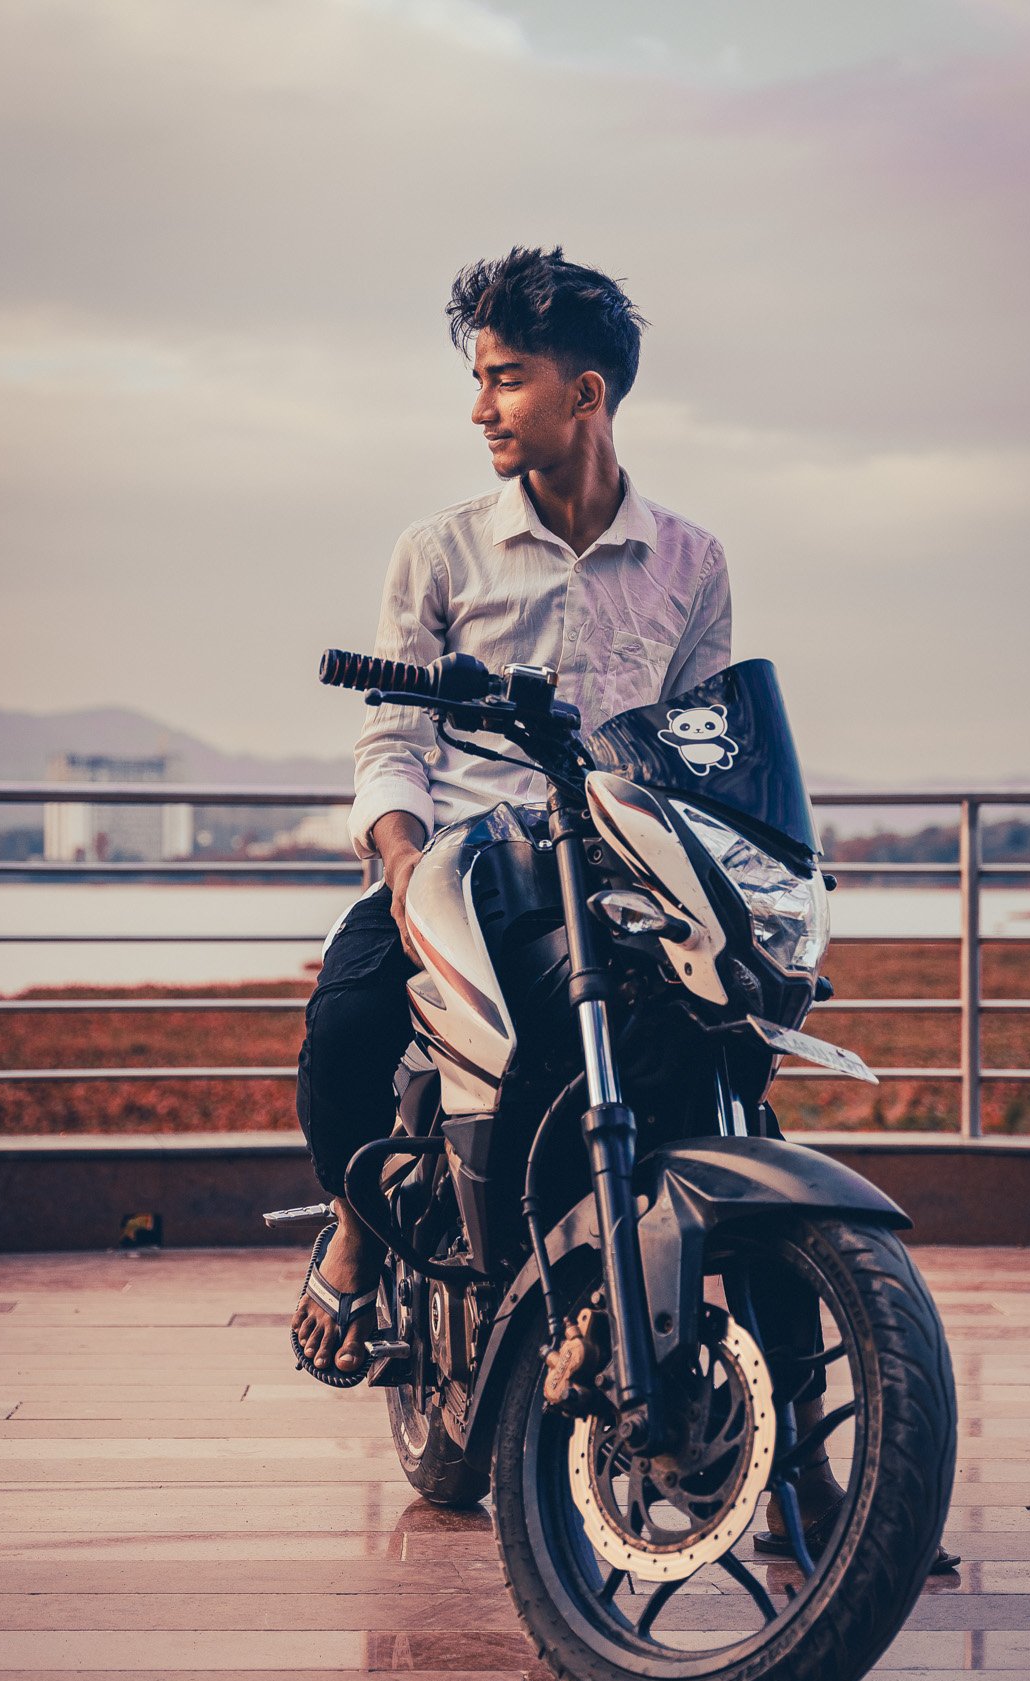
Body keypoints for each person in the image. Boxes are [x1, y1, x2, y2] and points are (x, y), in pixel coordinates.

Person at [292, 246, 731, 1374]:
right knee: (343, 1029)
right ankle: (362, 1225)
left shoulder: (691, 561)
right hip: (458, 866)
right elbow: (393, 735)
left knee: (719, 1060)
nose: (478, 404)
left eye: (505, 376)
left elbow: (704, 749)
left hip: (619, 874)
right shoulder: (437, 551)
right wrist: (397, 866)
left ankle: (800, 1460)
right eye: (478, 376)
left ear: (583, 394)